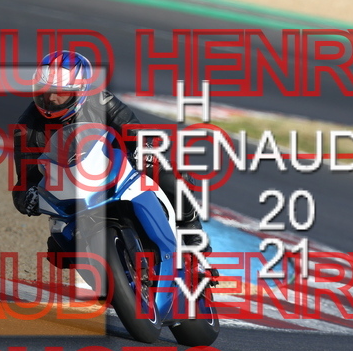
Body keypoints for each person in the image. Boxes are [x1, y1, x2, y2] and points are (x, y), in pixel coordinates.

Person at [12, 50, 217, 283]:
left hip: (114, 167)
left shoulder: (100, 100)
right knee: (58, 250)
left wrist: (143, 149)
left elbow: (135, 131)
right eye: (43, 90)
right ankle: (109, 278)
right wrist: (28, 198)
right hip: (70, 190)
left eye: (60, 92)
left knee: (169, 173)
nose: (50, 99)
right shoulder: (26, 128)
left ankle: (193, 239)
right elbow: (24, 181)